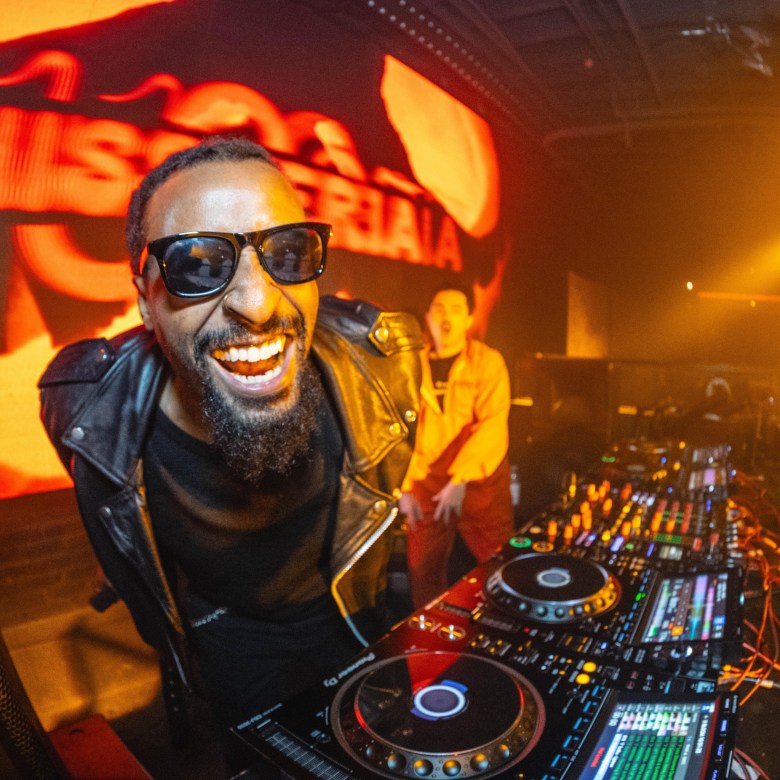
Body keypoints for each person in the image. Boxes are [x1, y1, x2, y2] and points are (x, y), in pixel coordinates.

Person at [37, 136, 422, 733]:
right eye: (196, 264)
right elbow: (107, 498)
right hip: (228, 636)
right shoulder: (83, 405)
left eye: (288, 253)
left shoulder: (387, 365)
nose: (258, 302)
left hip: (356, 617)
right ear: (145, 301)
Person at [399, 284, 513, 609]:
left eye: (455, 309)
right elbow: (395, 429)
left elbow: (492, 423)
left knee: (498, 565)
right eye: (439, 308)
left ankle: (500, 636)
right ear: (428, 317)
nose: (446, 316)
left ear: (468, 319)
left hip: (480, 490)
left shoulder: (487, 362)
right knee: (423, 573)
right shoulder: (410, 365)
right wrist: (402, 488)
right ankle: (430, 644)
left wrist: (462, 476)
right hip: (425, 489)